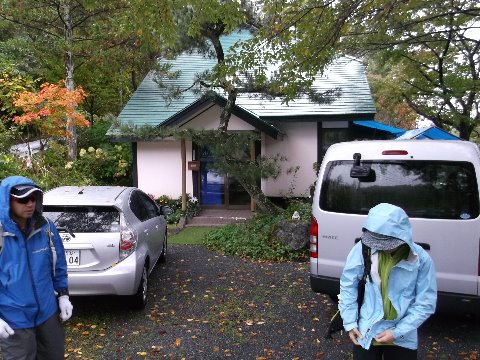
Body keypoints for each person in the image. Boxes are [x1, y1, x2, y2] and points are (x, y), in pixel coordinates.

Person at [339, 203, 437, 360]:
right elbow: (347, 284)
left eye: (386, 242)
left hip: (403, 337)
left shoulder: (421, 260)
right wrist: (350, 322)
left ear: (402, 236)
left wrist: (397, 332)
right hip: (366, 331)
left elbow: (425, 303)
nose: (380, 247)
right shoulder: (363, 249)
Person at [0, 176, 73, 360]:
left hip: (48, 314)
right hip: (14, 319)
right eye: (23, 199)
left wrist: (63, 295)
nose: (30, 203)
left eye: (34, 198)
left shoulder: (46, 228)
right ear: (7, 199)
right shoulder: (2, 235)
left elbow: (58, 265)